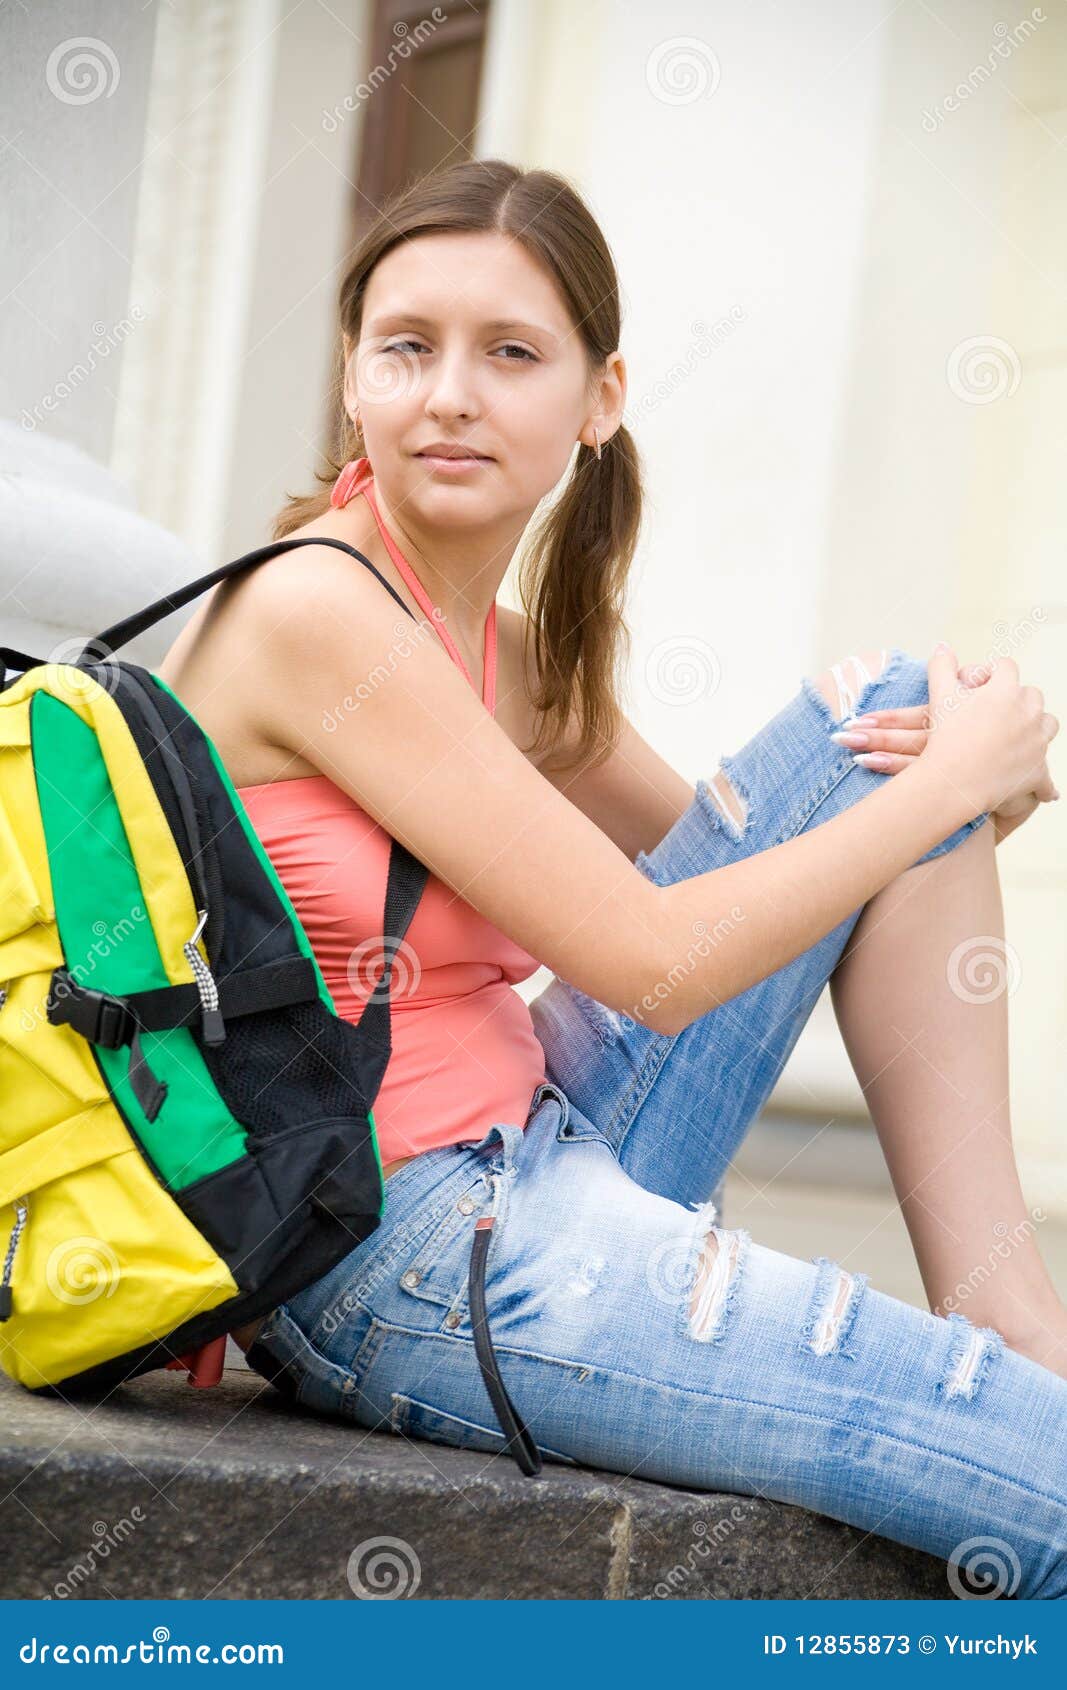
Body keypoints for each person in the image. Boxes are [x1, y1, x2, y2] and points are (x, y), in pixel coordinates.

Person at [157, 158, 1065, 1595]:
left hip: (546, 1138)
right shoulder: (321, 612)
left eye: (511, 353)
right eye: (409, 347)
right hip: (391, 1248)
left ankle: (1010, 1307)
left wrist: (957, 781)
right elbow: (652, 957)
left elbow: (775, 874)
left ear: (600, 399)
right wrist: (954, 785)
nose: (451, 391)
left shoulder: (506, 651)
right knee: (1047, 1481)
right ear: (353, 380)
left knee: (891, 712)